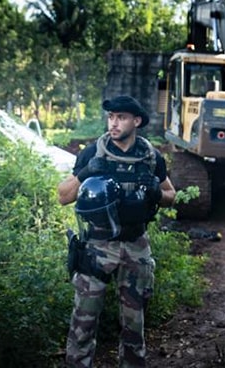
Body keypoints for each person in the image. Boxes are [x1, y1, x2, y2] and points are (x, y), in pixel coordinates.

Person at [58, 95, 176, 368]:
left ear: (136, 121)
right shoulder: (93, 153)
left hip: (135, 244)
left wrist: (157, 191)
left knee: (134, 325)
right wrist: (86, 173)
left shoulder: (150, 157)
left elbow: (171, 195)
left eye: (121, 117)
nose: (113, 123)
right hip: (97, 246)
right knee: (83, 322)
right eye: (111, 117)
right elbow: (63, 196)